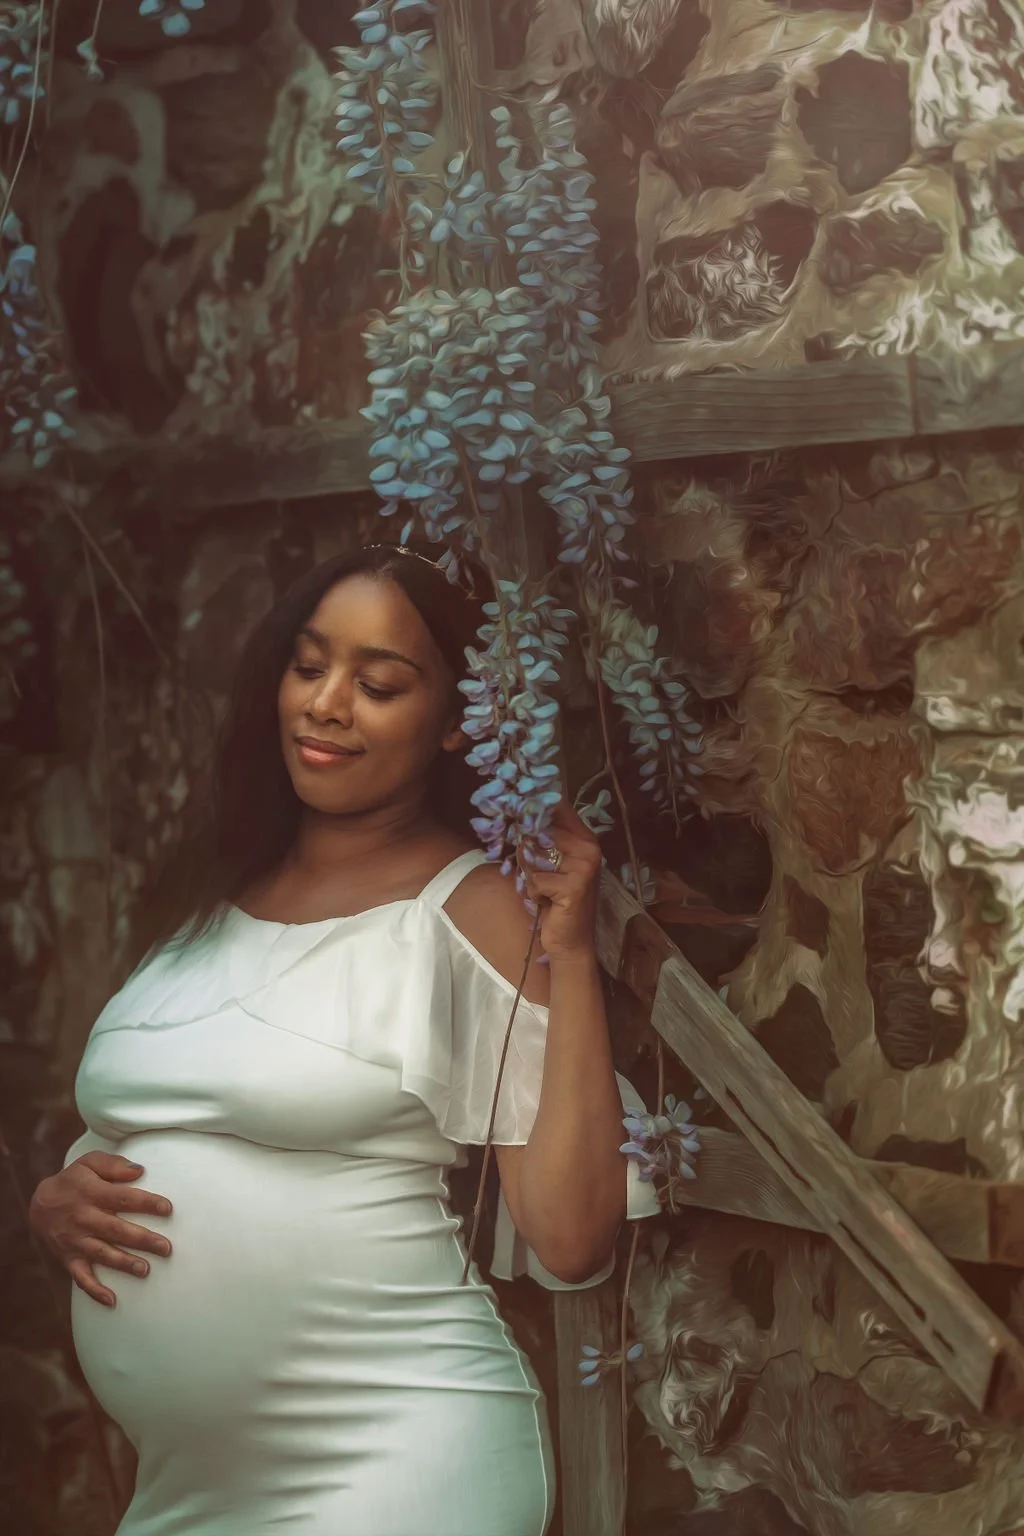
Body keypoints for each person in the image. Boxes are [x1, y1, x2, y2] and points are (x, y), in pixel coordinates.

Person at [28, 542, 658, 1536]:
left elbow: (570, 1236)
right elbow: (164, 1114)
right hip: (188, 1492)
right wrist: (61, 1193)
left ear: (456, 724)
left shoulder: (476, 912)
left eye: (378, 683)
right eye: (309, 665)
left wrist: (569, 957)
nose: (325, 705)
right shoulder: (206, 894)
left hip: (395, 1459)